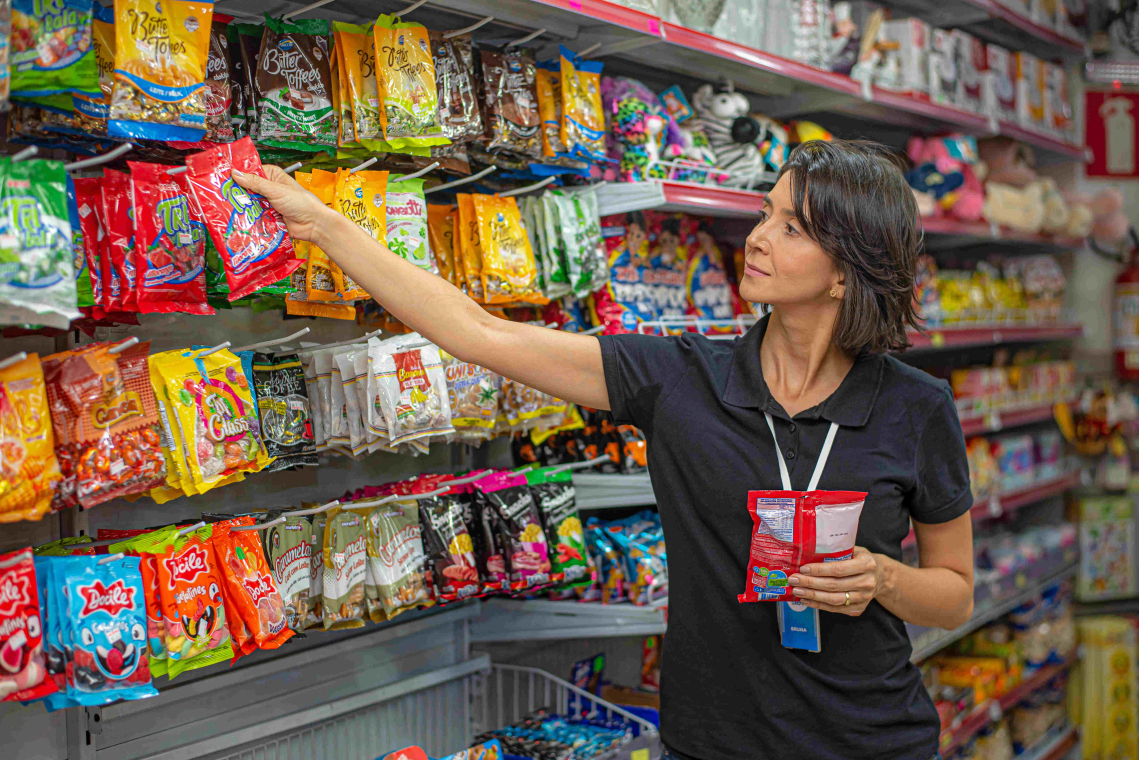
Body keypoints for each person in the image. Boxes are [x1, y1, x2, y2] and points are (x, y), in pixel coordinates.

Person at [233, 139, 974, 760]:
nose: (756, 237)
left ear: (847, 269)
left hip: (872, 741)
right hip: (713, 742)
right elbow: (481, 334)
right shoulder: (679, 379)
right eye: (764, 214)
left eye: (792, 228)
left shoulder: (914, 407)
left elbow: (952, 591)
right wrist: (326, 226)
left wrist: (881, 578)